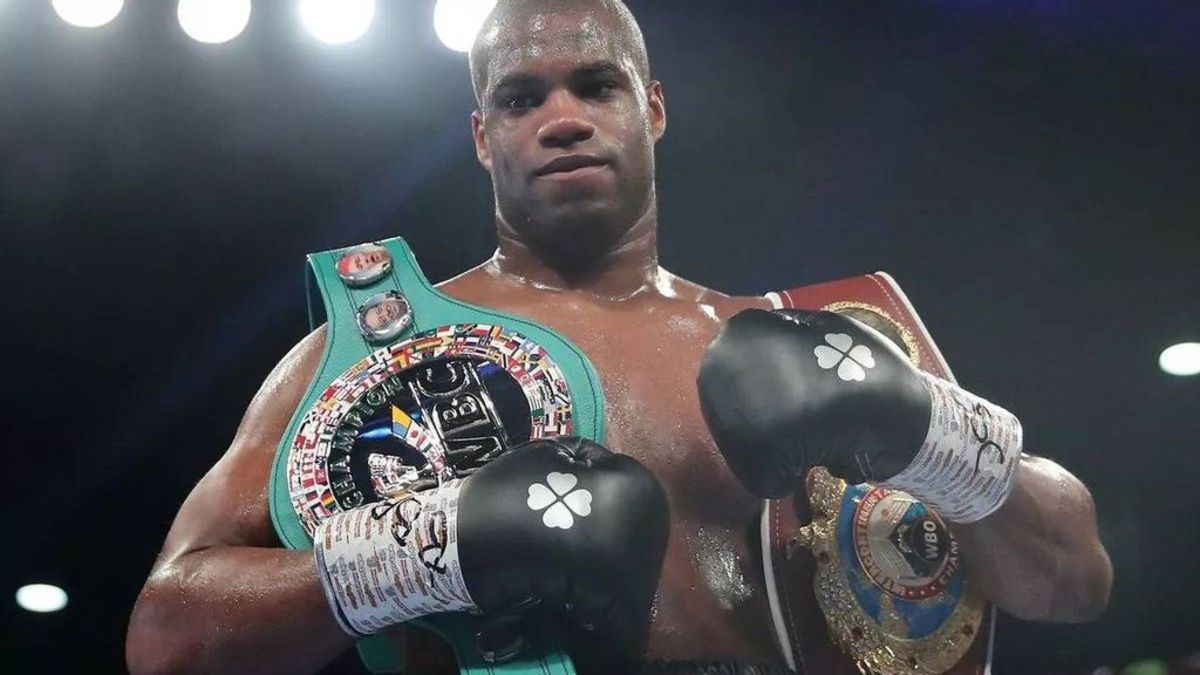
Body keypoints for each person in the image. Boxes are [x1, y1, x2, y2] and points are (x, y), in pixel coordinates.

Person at [126, 1, 1113, 673]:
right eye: (522, 97)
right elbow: (168, 631)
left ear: (651, 109)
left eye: (594, 86)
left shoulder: (811, 342)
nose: (561, 119)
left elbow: (1071, 577)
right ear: (482, 136)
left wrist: (921, 425)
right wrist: (438, 547)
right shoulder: (378, 357)